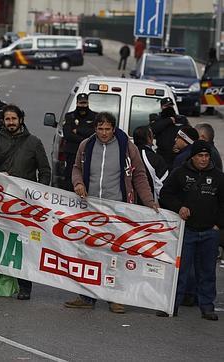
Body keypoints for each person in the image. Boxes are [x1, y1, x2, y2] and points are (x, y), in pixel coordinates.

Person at [65, 112, 157, 314]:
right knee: (87, 252)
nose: (104, 133)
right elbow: (76, 169)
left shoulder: (126, 147)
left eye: (107, 129)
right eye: (100, 129)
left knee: (113, 255)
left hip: (117, 210)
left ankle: (114, 297)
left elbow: (139, 175)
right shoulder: (86, 146)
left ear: (113, 129)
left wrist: (150, 202)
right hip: (90, 208)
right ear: (95, 129)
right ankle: (86, 296)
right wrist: (78, 183)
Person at [0, 104, 51, 300]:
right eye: (7, 119)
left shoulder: (34, 142)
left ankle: (25, 286)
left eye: (14, 119)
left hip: (24, 205)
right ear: (3, 121)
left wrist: (37, 195)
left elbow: (45, 172)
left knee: (24, 245)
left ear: (21, 119)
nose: (11, 122)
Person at [159, 140, 224, 321]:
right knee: (181, 270)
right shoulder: (180, 173)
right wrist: (179, 207)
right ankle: (172, 305)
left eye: (206, 156)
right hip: (186, 231)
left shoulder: (219, 176)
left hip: (210, 232)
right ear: (192, 157)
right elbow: (165, 194)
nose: (203, 159)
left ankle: (207, 308)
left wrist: (218, 224)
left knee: (207, 272)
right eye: (200, 156)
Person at [62, 93, 97, 190]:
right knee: (70, 177)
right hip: (72, 153)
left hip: (90, 153)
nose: (83, 105)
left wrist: (78, 130)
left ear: (88, 103)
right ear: (77, 103)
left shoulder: (95, 117)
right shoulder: (70, 116)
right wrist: (85, 139)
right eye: (81, 103)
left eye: (84, 103)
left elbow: (94, 133)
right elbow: (68, 135)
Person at [150, 97, 190, 167]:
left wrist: (181, 147)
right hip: (163, 156)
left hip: (178, 155)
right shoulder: (157, 119)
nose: (169, 108)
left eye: (170, 106)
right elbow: (153, 129)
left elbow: (190, 135)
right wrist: (169, 120)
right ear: (161, 107)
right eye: (166, 106)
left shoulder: (181, 119)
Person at [133, 126, 168, 202]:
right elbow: (163, 186)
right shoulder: (155, 158)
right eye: (152, 136)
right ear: (149, 139)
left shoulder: (127, 154)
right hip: (149, 206)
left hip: (126, 205)